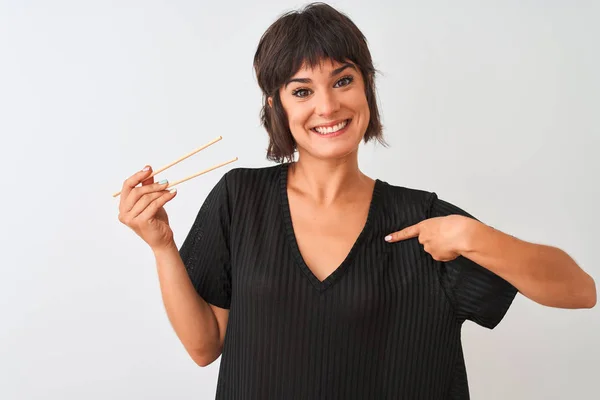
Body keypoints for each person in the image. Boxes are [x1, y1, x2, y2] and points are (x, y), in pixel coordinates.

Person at [117, 2, 596, 399]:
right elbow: (205, 347)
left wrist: (471, 234)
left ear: (367, 85)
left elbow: (579, 290)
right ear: (276, 106)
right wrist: (161, 245)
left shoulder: (422, 220)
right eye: (302, 90)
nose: (327, 106)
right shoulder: (239, 199)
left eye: (342, 81)